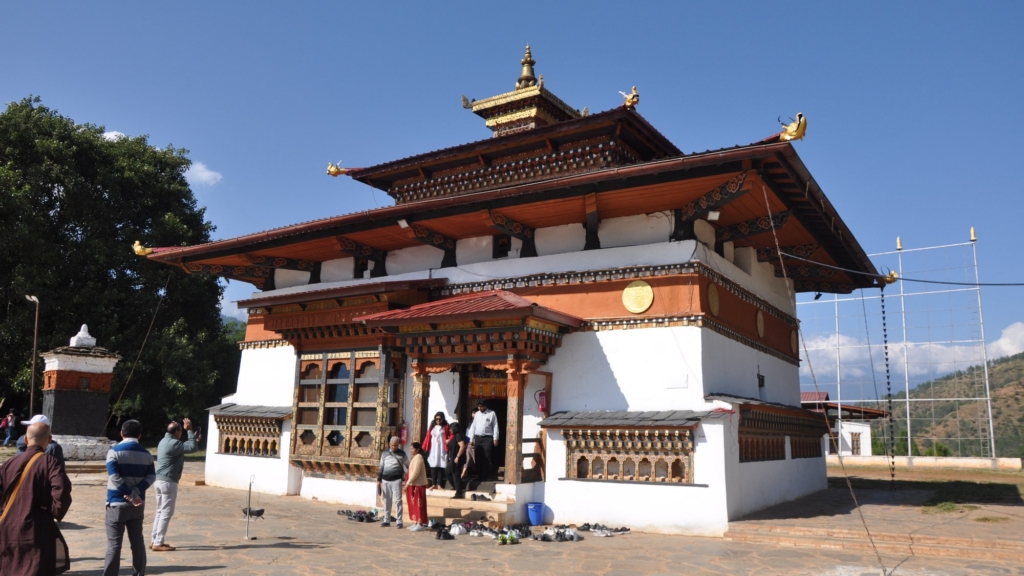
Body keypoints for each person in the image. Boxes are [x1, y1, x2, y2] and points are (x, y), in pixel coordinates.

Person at [0, 420, 72, 575]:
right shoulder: (50, 463)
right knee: (36, 567)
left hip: (8, 526)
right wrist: (52, 511)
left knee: (10, 567)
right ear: (49, 439)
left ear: (26, 439)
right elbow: (62, 490)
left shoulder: (9, 463)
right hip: (37, 527)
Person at [103, 419, 155, 576]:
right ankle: (139, 573)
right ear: (140, 435)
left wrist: (128, 492)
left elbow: (114, 476)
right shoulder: (147, 454)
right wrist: (136, 492)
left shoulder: (114, 452)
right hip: (137, 504)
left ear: (121, 433)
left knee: (114, 544)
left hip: (116, 502)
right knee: (137, 542)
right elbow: (152, 476)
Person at [150, 418, 201, 552]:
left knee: (160, 511)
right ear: (177, 432)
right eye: (181, 432)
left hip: (159, 480)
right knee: (166, 512)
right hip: (168, 482)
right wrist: (190, 431)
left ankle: (154, 539)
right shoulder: (173, 443)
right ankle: (158, 542)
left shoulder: (164, 441)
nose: (181, 434)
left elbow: (186, 446)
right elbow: (191, 448)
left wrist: (193, 438)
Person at [375, 436, 407, 529]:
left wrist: (406, 479)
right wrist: (379, 479)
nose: (394, 447)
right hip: (385, 480)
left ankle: (399, 521)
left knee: (398, 500)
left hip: (397, 480)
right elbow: (381, 467)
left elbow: (408, 465)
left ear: (398, 445)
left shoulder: (402, 454)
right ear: (389, 444)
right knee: (387, 500)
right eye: (392, 445)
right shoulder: (384, 453)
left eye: (396, 446)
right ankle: (386, 520)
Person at [467, 400, 499, 480]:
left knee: (486, 457)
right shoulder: (477, 414)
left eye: (481, 406)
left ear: (485, 406)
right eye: (478, 406)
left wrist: (495, 438)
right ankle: (479, 475)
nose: (479, 408)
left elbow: (495, 426)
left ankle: (485, 476)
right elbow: (473, 427)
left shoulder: (492, 413)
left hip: (487, 438)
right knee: (478, 456)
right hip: (478, 438)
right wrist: (471, 439)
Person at [421, 412, 451, 490]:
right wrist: (425, 446)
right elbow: (428, 436)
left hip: (442, 448)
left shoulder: (446, 426)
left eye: (440, 419)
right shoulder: (432, 426)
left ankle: (440, 484)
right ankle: (434, 484)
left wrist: (449, 440)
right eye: (436, 419)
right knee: (433, 466)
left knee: (441, 466)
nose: (438, 420)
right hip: (433, 448)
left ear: (443, 419)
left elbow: (451, 435)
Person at [404, 442, 429, 531]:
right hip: (413, 484)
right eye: (410, 448)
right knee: (414, 504)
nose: (410, 450)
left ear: (417, 449)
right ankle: (416, 522)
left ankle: (420, 523)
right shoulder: (414, 457)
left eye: (412, 449)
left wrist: (407, 483)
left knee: (419, 505)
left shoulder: (419, 457)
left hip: (418, 485)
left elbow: (416, 472)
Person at [445, 421, 467, 499]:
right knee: (448, 471)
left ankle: (459, 492)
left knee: (456, 474)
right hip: (453, 458)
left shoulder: (458, 435)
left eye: (451, 428)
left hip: (457, 458)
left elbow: (462, 446)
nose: (450, 430)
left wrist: (457, 457)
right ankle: (457, 486)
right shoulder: (454, 436)